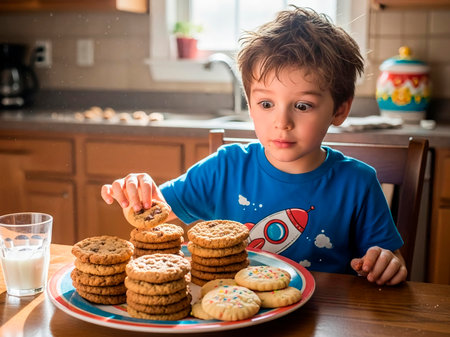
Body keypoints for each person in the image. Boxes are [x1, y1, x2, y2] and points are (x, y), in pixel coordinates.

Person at [101, 7, 407, 285]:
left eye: (302, 106)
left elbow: (392, 259)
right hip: (232, 316)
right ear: (249, 104)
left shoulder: (358, 183)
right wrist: (137, 191)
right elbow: (157, 208)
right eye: (266, 103)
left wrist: (387, 263)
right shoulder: (224, 168)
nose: (281, 121)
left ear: (339, 109)